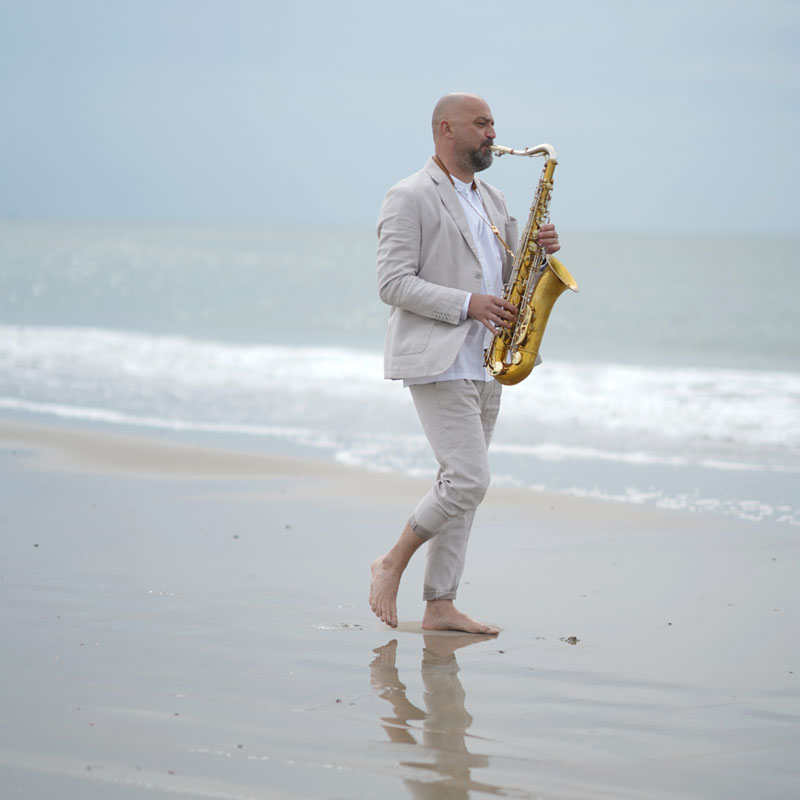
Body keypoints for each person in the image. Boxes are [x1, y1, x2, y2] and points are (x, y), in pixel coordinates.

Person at [369, 93, 561, 634]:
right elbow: (392, 283)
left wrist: (541, 253)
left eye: (493, 124)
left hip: (488, 358)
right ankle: (391, 562)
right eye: (481, 124)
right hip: (439, 358)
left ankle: (440, 605)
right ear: (446, 129)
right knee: (469, 480)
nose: (493, 134)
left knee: (460, 488)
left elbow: (511, 276)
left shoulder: (494, 198)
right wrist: (466, 304)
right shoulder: (408, 195)